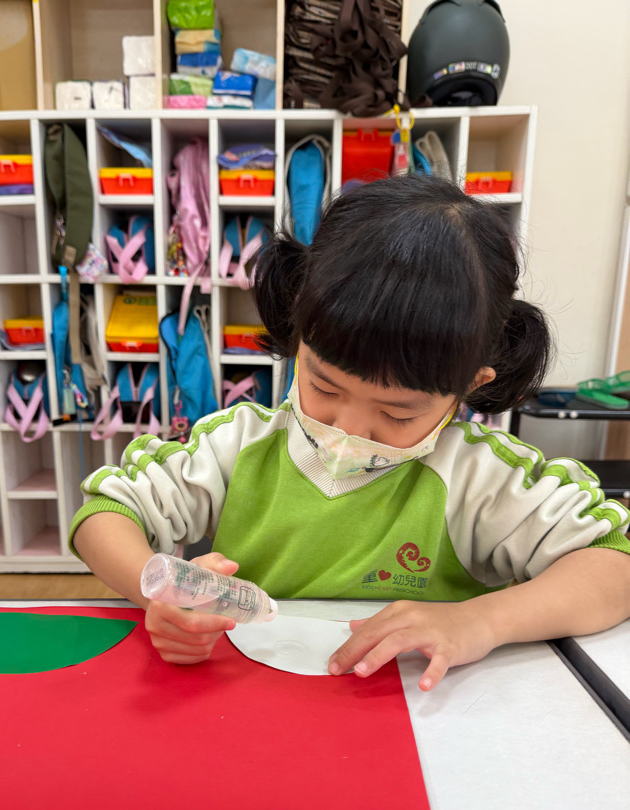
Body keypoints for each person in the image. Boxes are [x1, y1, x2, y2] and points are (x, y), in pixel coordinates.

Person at [70, 176, 630, 690]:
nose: (348, 429)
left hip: (420, 712)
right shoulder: (238, 445)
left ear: (470, 384)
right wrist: (160, 594)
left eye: (398, 414)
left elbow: (614, 565)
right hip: (249, 701)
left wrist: (479, 620)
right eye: (324, 386)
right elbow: (105, 515)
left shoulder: (481, 479)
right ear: (298, 335)